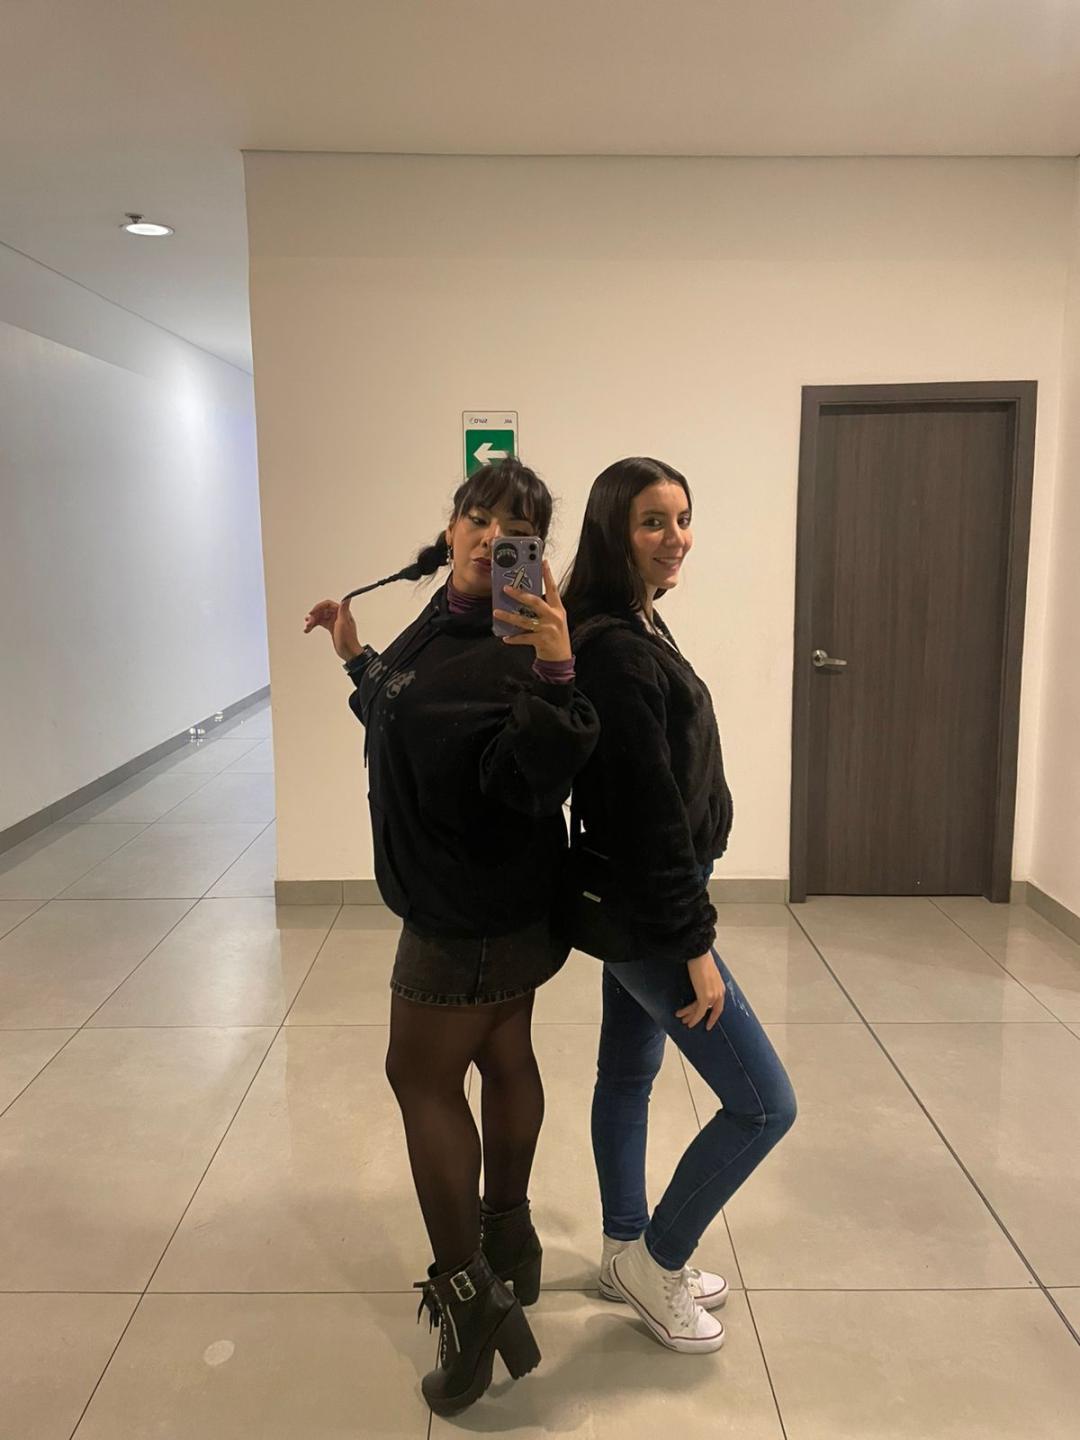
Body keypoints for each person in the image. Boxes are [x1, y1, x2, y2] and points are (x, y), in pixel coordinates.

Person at [304, 459, 598, 1415]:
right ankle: (510, 1242)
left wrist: (557, 670)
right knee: (505, 1056)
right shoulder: (444, 610)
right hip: (497, 905)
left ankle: (471, 1301)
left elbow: (533, 782)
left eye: (515, 531)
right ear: (454, 525)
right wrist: (356, 657)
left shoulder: (520, 648)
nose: (488, 538)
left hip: (467, 911)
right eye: (478, 518)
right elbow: (407, 719)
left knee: (419, 1077)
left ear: (536, 554)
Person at [561, 456, 797, 1354]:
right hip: (654, 909)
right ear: (614, 531)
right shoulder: (616, 648)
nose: (677, 538)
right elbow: (648, 810)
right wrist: (695, 945)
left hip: (638, 901)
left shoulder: (630, 621)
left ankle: (623, 1249)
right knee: (763, 1106)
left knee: (627, 1077)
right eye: (653, 522)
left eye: (684, 518)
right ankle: (656, 1262)